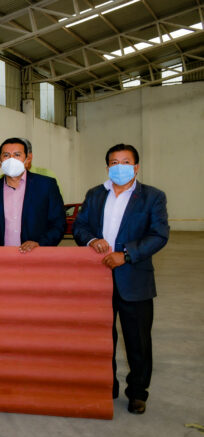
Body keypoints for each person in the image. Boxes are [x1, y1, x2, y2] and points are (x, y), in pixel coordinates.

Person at [73, 143, 169, 415]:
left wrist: (125, 255)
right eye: (114, 162)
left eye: (126, 162)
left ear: (136, 167)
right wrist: (92, 240)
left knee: (138, 341)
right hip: (98, 278)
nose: (120, 167)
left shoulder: (152, 197)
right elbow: (80, 226)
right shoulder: (95, 194)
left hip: (134, 279)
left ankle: (137, 392)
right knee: (102, 339)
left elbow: (159, 235)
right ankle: (108, 385)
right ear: (107, 167)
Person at [0, 137, 65, 253]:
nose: (11, 159)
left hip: (36, 256)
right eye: (6, 155)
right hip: (0, 257)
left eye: (17, 155)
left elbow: (58, 223)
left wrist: (41, 244)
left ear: (27, 160)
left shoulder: (46, 186)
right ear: (0, 162)